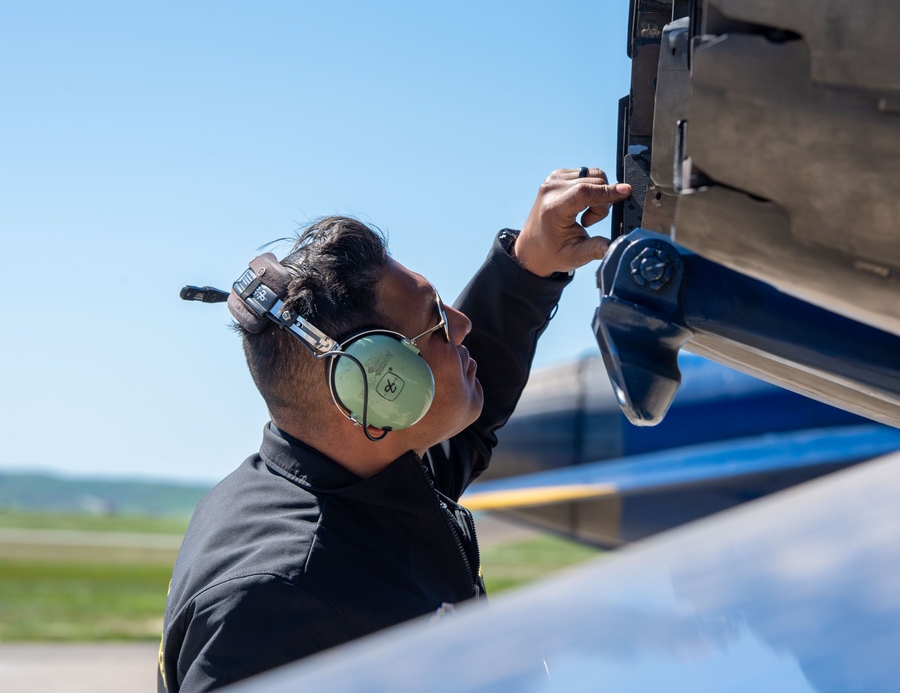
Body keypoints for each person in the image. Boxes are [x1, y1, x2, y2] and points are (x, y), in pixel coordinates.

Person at [158, 168, 632, 692]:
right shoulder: (277, 601)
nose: (463, 325)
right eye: (436, 323)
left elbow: (467, 407)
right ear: (382, 386)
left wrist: (529, 264)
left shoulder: (354, 484)